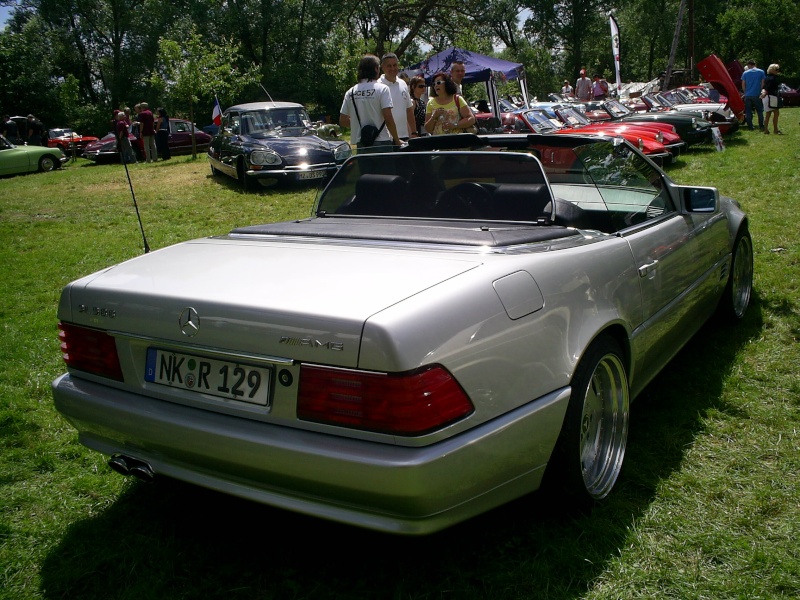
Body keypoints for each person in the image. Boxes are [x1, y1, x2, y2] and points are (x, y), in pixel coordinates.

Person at [340, 54, 400, 153]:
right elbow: (388, 118)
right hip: (382, 141)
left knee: (365, 169)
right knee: (385, 169)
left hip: (362, 142)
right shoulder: (382, 89)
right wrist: (397, 140)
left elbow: (343, 120)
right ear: (376, 69)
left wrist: (361, 124)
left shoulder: (350, 92)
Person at [379, 52, 417, 141]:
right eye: (389, 66)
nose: (392, 68)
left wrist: (414, 132)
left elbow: (409, 110)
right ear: (382, 67)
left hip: (404, 135)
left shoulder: (403, 84)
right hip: (386, 138)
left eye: (395, 65)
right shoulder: (378, 86)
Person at [740, 60, 765, 131]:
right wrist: (760, 91)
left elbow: (743, 84)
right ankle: (761, 126)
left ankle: (750, 126)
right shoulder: (761, 72)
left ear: (749, 65)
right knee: (759, 111)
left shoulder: (745, 73)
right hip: (757, 94)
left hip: (748, 95)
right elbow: (763, 83)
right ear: (755, 64)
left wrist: (745, 92)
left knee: (748, 111)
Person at [762, 63, 783, 135]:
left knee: (768, 114)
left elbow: (764, 87)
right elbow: (768, 88)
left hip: (766, 97)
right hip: (771, 97)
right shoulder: (773, 79)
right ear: (773, 70)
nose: (777, 71)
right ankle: (775, 129)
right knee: (776, 113)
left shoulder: (767, 78)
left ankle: (766, 130)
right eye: (776, 69)